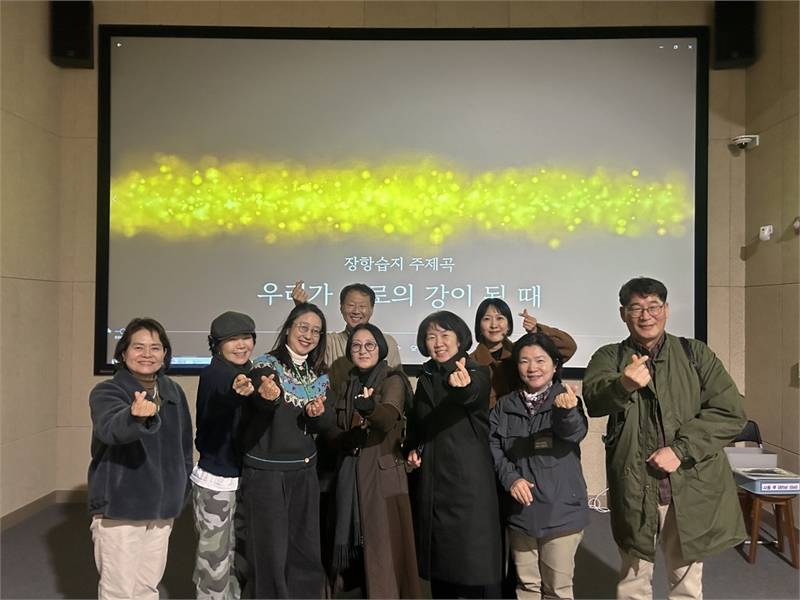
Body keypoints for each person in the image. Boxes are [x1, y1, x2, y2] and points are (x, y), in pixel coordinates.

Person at [582, 277, 747, 600]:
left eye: (653, 306)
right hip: (634, 487)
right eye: (636, 308)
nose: (646, 315)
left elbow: (731, 412)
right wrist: (623, 385)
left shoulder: (695, 353)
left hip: (687, 486)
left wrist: (680, 450)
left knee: (686, 584)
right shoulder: (610, 356)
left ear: (667, 309)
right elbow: (595, 400)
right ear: (623, 314)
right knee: (632, 581)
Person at [88, 317, 193, 600]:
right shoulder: (107, 391)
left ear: (164, 353)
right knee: (119, 590)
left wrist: (181, 487)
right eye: (138, 347)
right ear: (123, 353)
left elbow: (184, 446)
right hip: (122, 505)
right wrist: (134, 416)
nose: (147, 354)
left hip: (163, 507)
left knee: (147, 587)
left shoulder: (173, 392)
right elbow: (109, 429)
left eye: (155, 348)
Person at [238, 302, 336, 599]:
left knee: (305, 552)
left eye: (316, 331)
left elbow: (328, 421)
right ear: (288, 329)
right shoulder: (266, 365)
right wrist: (268, 396)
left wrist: (318, 414)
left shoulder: (319, 373)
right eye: (303, 327)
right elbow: (262, 398)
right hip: (268, 472)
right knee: (270, 555)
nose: (308, 335)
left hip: (304, 471)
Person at [404, 311, 502, 599]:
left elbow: (473, 393)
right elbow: (418, 425)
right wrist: (411, 448)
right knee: (440, 571)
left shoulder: (474, 370)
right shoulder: (425, 376)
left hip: (467, 487)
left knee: (471, 569)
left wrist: (463, 386)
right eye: (431, 336)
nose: (438, 342)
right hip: (432, 484)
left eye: (445, 335)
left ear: (460, 339)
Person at [324, 323, 421, 599]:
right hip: (349, 476)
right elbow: (331, 427)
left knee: (384, 558)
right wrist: (344, 438)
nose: (363, 350)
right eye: (356, 345)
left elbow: (388, 418)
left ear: (381, 349)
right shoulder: (347, 385)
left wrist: (370, 408)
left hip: (381, 478)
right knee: (353, 562)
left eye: (370, 345)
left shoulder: (393, 380)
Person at [489, 333, 589, 599]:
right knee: (526, 587)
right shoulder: (505, 405)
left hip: (561, 512)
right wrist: (511, 478)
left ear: (555, 365)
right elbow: (493, 446)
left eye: (540, 360)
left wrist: (566, 412)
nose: (532, 368)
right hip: (521, 512)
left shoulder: (566, 399)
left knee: (557, 590)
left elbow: (575, 433)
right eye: (524, 361)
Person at [192, 311, 278, 600]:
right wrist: (235, 392)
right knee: (214, 564)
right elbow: (222, 393)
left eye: (246, 338)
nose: (241, 345)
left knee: (240, 563)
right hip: (216, 482)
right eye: (232, 339)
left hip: (247, 479)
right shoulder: (215, 374)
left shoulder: (254, 371)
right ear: (217, 344)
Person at [291, 281, 402, 391]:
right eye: (351, 305)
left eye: (362, 306)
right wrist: (301, 307)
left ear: (372, 309)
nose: (356, 311)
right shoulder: (330, 342)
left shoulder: (388, 342)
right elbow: (306, 339)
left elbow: (399, 384)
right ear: (341, 308)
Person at [470, 298, 577, 409]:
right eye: (487, 319)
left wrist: (536, 331)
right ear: (479, 326)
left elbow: (568, 347)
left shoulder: (521, 352)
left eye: (499, 318)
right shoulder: (470, 363)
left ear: (509, 325)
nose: (494, 325)